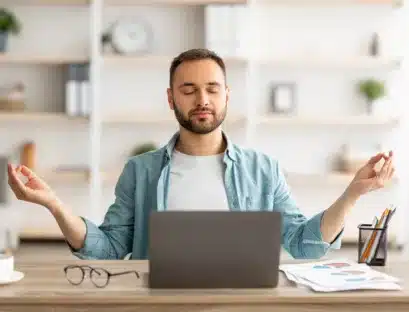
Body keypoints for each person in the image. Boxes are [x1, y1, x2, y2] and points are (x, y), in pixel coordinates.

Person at [7, 48, 395, 260]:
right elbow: (107, 248)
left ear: (227, 95)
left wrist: (352, 194)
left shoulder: (264, 170)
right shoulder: (140, 171)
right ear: (171, 97)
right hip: (156, 306)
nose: (202, 99)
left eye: (212, 88)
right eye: (188, 89)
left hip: (243, 306)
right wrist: (55, 205)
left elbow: (303, 244)